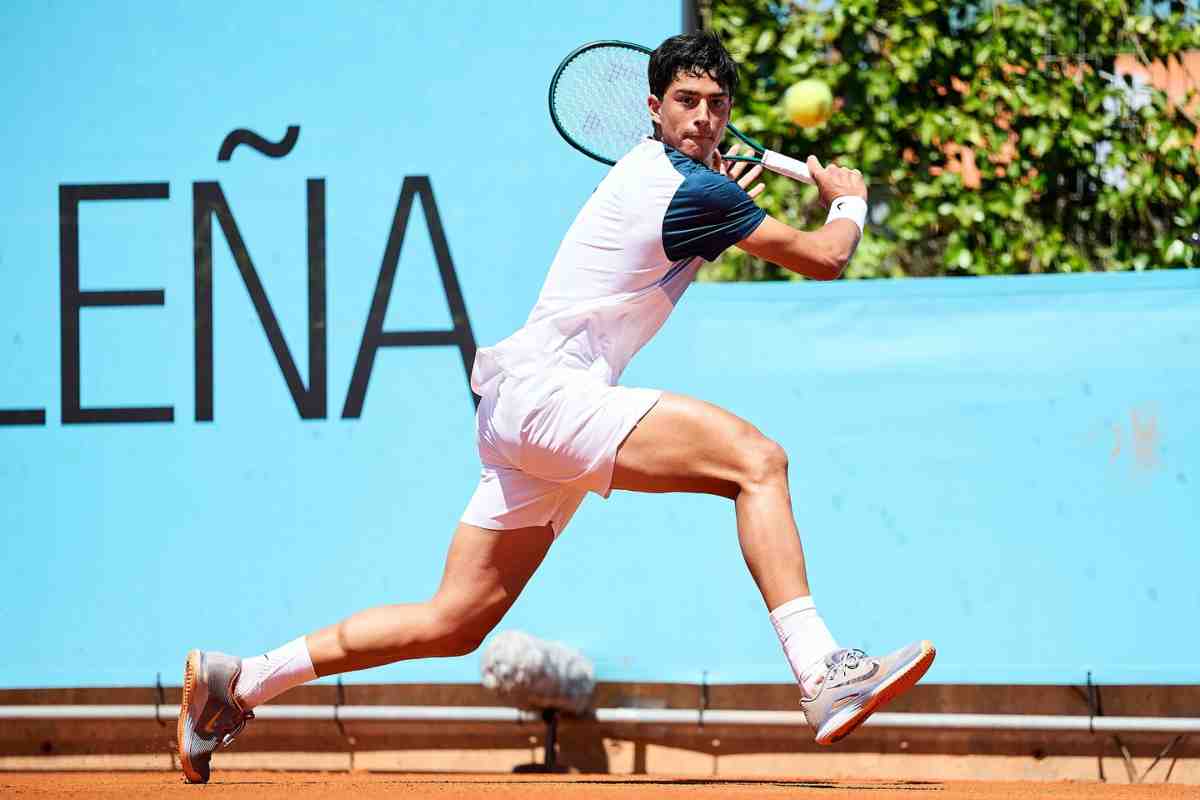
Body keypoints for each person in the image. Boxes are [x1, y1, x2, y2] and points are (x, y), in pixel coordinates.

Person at [177, 31, 934, 784]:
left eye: (716, 103)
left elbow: (662, 260)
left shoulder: (674, 181)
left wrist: (724, 211)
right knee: (756, 462)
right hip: (550, 397)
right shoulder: (694, 188)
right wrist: (850, 202)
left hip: (522, 407)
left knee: (455, 622)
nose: (704, 116)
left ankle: (240, 682)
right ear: (653, 108)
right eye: (686, 102)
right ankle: (823, 669)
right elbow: (826, 257)